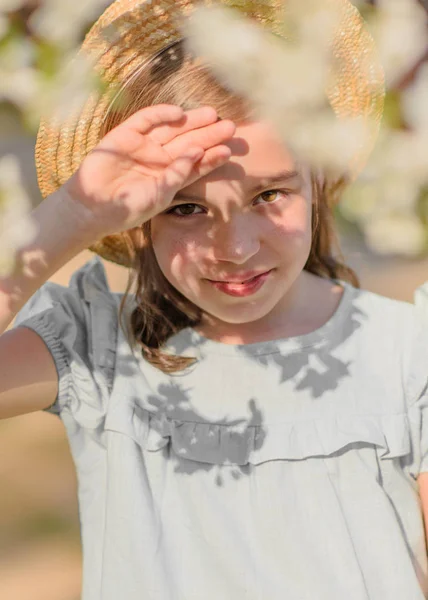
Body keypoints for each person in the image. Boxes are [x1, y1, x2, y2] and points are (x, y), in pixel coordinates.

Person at [1, 0, 428, 598]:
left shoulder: (407, 355)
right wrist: (71, 215)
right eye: (186, 208)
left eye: (269, 195)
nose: (234, 247)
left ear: (319, 178)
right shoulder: (97, 349)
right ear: (140, 217)